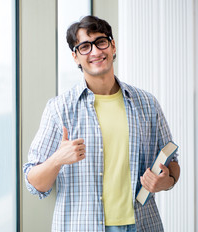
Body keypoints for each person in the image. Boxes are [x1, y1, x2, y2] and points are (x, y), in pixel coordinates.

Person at [23, 15, 180, 232]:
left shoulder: (147, 103)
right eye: (85, 47)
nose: (95, 52)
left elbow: (172, 163)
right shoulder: (59, 109)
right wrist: (57, 159)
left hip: (143, 225)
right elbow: (34, 184)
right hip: (82, 226)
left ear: (112, 46)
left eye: (101, 42)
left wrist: (168, 181)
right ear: (75, 57)